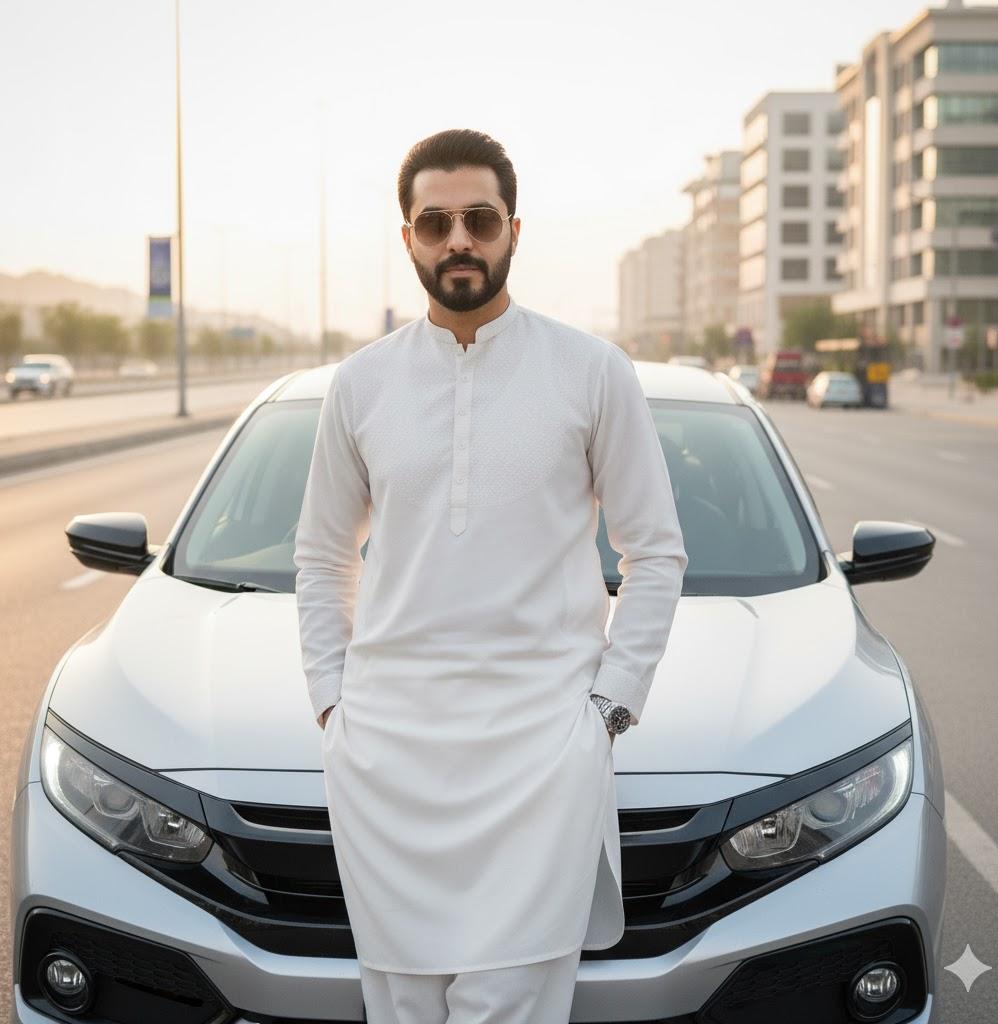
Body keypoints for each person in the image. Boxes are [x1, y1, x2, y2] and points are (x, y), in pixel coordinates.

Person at [293, 128, 687, 1024]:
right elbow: (319, 554)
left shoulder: (592, 372)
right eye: (436, 222)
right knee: (402, 1003)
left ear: (514, 228)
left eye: (479, 218)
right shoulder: (361, 385)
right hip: (386, 753)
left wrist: (608, 707)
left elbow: (654, 551)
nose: (458, 240)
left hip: (540, 749)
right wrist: (333, 701)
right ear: (408, 238)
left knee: (510, 1004)